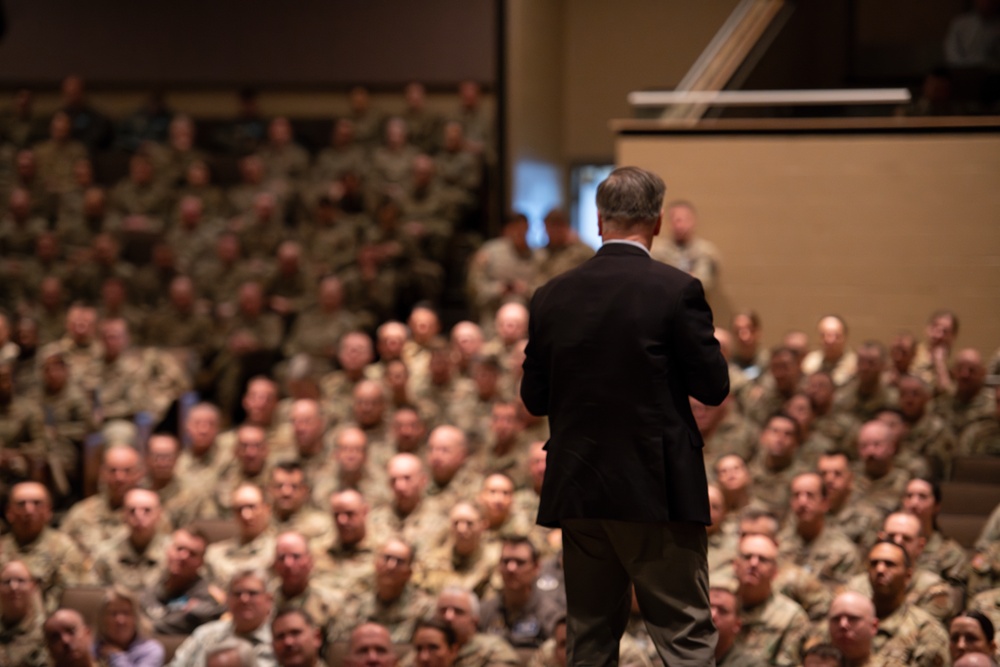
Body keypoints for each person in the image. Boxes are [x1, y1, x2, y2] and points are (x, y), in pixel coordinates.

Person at [520, 166, 728, 666]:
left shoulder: (551, 295)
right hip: (656, 492)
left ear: (598, 221)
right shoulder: (676, 291)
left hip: (581, 490)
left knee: (589, 641)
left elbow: (534, 398)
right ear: (657, 222)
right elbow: (713, 387)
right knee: (685, 639)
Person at [92, 586, 164, 667]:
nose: (120, 621)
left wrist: (116, 656)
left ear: (136, 618)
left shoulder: (151, 650)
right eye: (113, 613)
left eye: (126, 613)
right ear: (102, 619)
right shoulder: (92, 648)